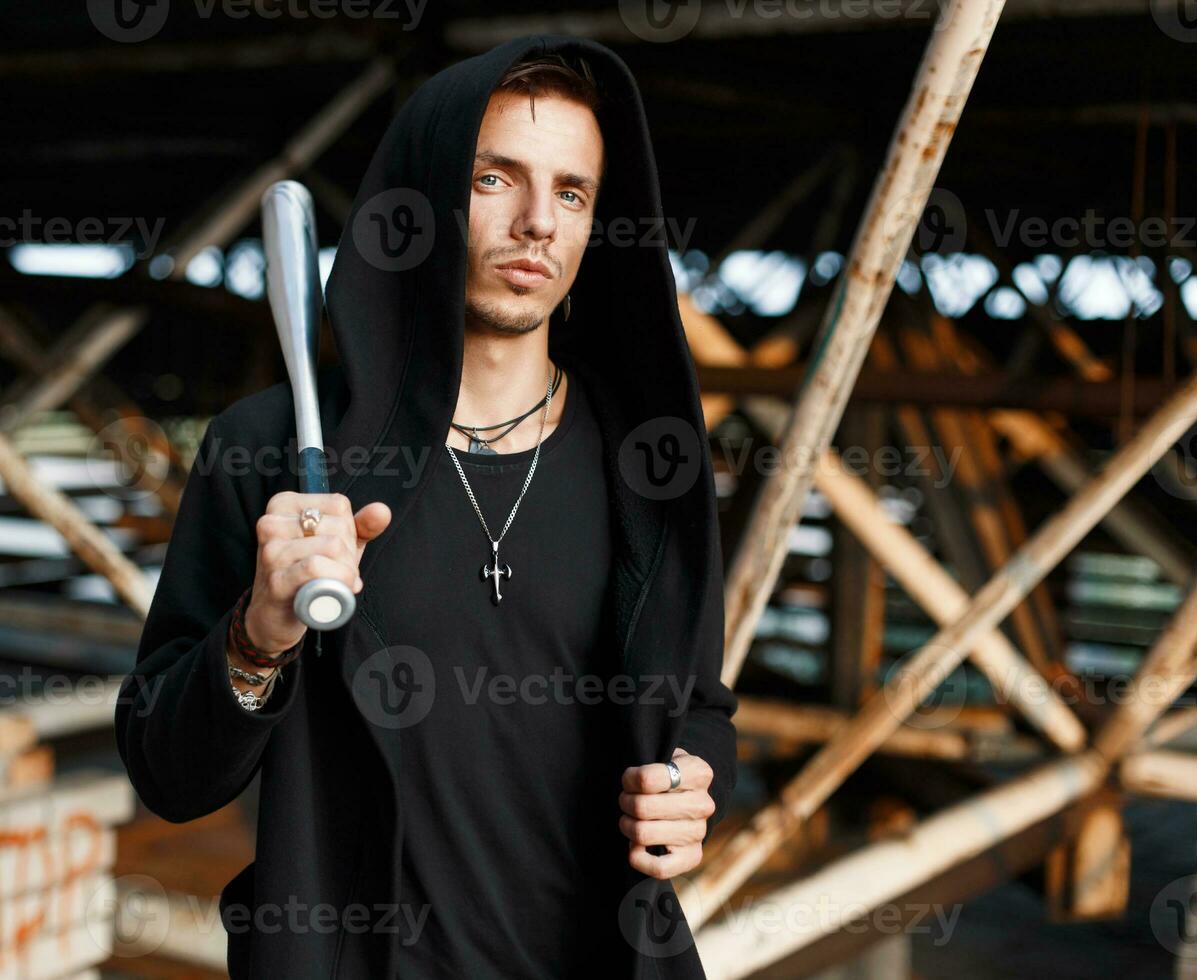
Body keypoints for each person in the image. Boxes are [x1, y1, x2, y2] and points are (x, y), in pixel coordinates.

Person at [116, 34, 738, 980]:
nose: (538, 222)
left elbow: (698, 707)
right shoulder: (277, 453)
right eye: (497, 179)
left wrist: (693, 783)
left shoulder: (648, 462)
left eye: (572, 192)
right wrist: (256, 640)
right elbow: (169, 773)